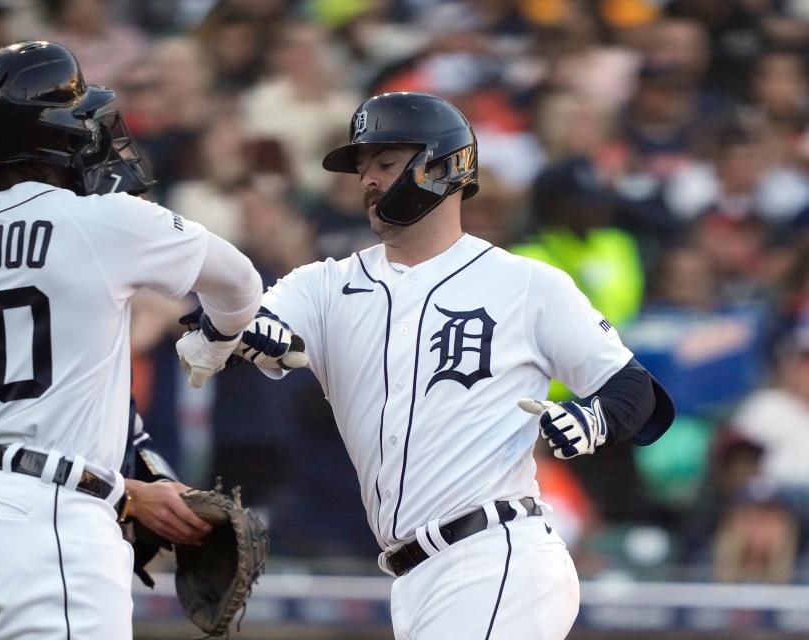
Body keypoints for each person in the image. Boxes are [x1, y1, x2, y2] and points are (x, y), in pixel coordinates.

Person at [191, 92, 675, 639]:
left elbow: (640, 393)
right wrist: (241, 332)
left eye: (387, 163)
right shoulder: (323, 284)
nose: (369, 180)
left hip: (496, 555)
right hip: (412, 575)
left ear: (444, 167)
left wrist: (594, 420)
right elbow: (217, 335)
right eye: (364, 168)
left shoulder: (525, 283)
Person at [0, 41, 263, 640]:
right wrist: (210, 344)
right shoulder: (99, 220)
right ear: (54, 137)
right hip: (55, 517)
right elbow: (241, 282)